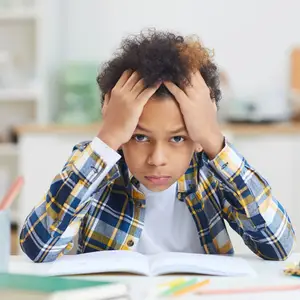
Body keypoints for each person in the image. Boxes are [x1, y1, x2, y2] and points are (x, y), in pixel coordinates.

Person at [20, 30, 295, 262]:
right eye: (140, 137)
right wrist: (108, 138)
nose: (157, 159)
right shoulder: (95, 164)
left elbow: (277, 245)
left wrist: (212, 139)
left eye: (178, 138)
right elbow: (38, 248)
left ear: (197, 137)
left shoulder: (210, 172)